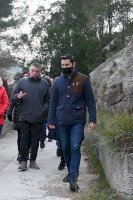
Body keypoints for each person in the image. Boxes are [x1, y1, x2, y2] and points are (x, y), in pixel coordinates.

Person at [47, 54, 97, 191]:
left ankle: (73, 178)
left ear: (73, 64)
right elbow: (53, 103)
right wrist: (50, 120)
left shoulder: (83, 79)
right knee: (65, 148)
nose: (64, 67)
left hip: (77, 120)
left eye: (67, 65)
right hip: (61, 120)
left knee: (75, 146)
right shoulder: (57, 82)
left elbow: (90, 101)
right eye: (62, 65)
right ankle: (71, 172)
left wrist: (92, 119)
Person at [12, 63, 50, 171]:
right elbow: (13, 97)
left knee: (35, 140)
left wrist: (42, 112)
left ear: (40, 72)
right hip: (24, 116)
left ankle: (33, 161)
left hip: (38, 118)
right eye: (33, 70)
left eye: (37, 71)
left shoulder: (45, 84)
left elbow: (48, 101)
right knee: (24, 139)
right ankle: (23, 161)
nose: (35, 73)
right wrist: (17, 96)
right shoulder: (22, 82)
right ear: (29, 71)